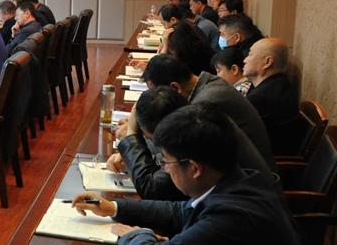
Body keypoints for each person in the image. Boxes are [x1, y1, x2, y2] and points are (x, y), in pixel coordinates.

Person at [73, 104, 302, 245]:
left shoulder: (230, 217)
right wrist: (113, 208)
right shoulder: (241, 179)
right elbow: (181, 212)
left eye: (165, 162)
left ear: (194, 168)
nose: (164, 169)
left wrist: (136, 235)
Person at [108, 86, 277, 202]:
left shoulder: (197, 135)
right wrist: (131, 157)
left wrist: (132, 133)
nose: (165, 164)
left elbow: (152, 189)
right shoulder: (198, 119)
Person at [141, 54, 276, 172]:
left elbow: (172, 150)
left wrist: (135, 132)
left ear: (175, 88)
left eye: (159, 94)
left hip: (250, 183)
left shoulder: (205, 104)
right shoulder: (210, 83)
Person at [244, 38, 308, 156]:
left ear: (267, 62)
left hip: (268, 162)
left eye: (250, 54)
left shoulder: (262, 98)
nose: (245, 60)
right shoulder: (278, 83)